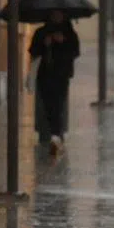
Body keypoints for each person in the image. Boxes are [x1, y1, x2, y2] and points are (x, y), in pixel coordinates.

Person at [26, 10, 80, 156]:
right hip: (44, 75)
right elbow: (33, 51)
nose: (57, 17)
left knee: (58, 102)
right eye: (54, 15)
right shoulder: (41, 32)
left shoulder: (70, 33)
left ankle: (56, 134)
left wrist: (63, 42)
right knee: (46, 102)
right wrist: (45, 43)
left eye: (60, 15)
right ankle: (50, 132)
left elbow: (75, 52)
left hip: (61, 75)